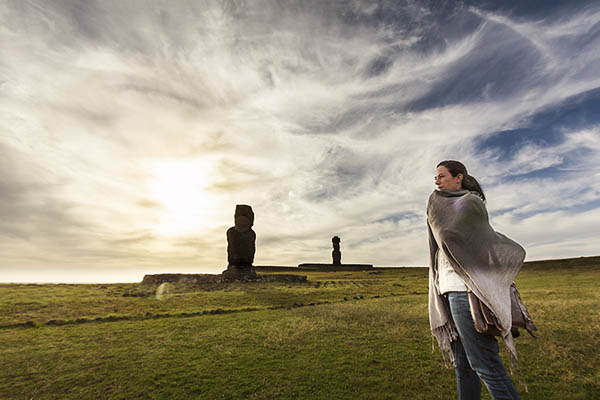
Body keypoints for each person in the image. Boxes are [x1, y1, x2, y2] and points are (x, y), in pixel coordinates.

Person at [427, 160, 524, 400]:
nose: (436, 181)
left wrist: (437, 210)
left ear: (458, 177)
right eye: (435, 177)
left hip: (466, 290)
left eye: (441, 176)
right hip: (446, 290)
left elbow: (452, 234)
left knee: (485, 364)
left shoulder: (471, 203)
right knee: (463, 366)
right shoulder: (439, 205)